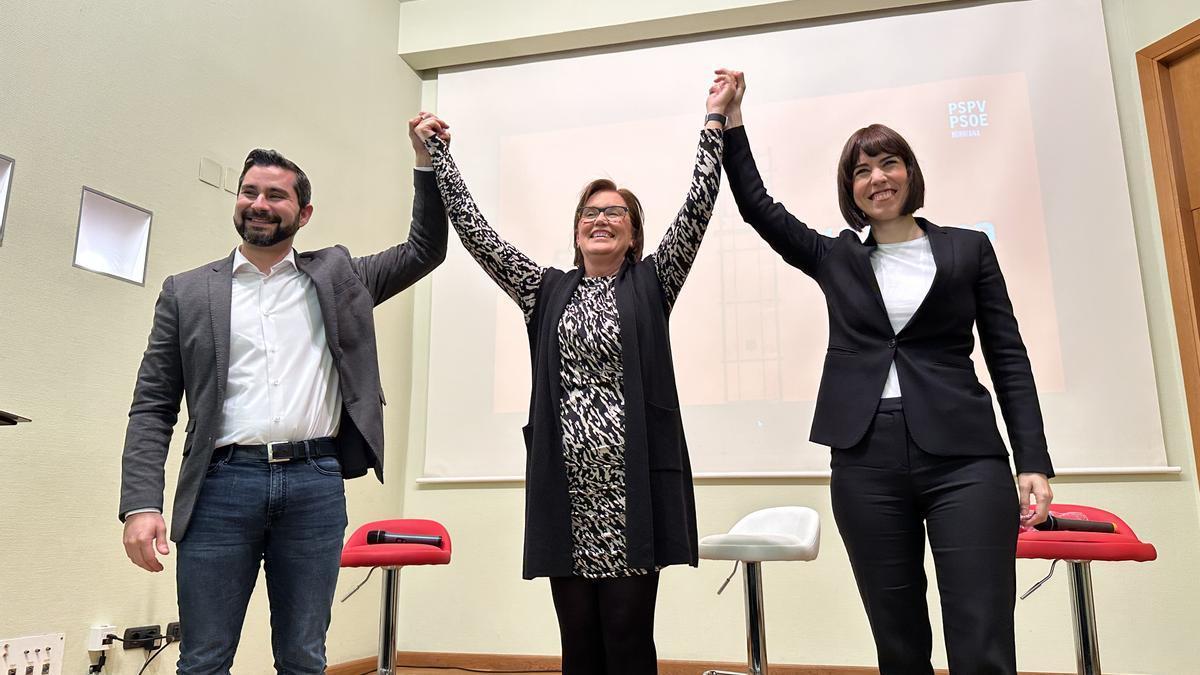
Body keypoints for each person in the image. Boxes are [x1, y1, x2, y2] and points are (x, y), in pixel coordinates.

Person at [715, 68, 1054, 674]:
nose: (878, 178)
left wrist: (1032, 459)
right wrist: (733, 121)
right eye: (862, 170)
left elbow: (1008, 356)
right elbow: (757, 208)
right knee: (898, 642)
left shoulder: (968, 248)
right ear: (851, 188)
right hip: (865, 459)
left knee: (982, 637)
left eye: (889, 163)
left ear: (909, 173)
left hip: (965, 460)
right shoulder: (835, 257)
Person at [413, 75, 734, 674]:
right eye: (590, 212)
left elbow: (698, 205)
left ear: (634, 234)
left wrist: (715, 121)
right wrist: (439, 157)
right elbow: (479, 237)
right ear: (577, 229)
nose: (601, 219)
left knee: (628, 637)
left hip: (631, 492)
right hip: (566, 490)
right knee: (579, 642)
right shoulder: (545, 290)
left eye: (615, 212)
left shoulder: (652, 283)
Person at [118, 116, 449, 675]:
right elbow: (153, 405)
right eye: (249, 191)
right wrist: (141, 504)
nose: (260, 204)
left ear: (304, 213)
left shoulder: (340, 277)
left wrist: (426, 161)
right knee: (203, 658)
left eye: (276, 195)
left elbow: (424, 250)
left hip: (313, 484)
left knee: (303, 657)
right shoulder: (187, 292)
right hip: (220, 486)